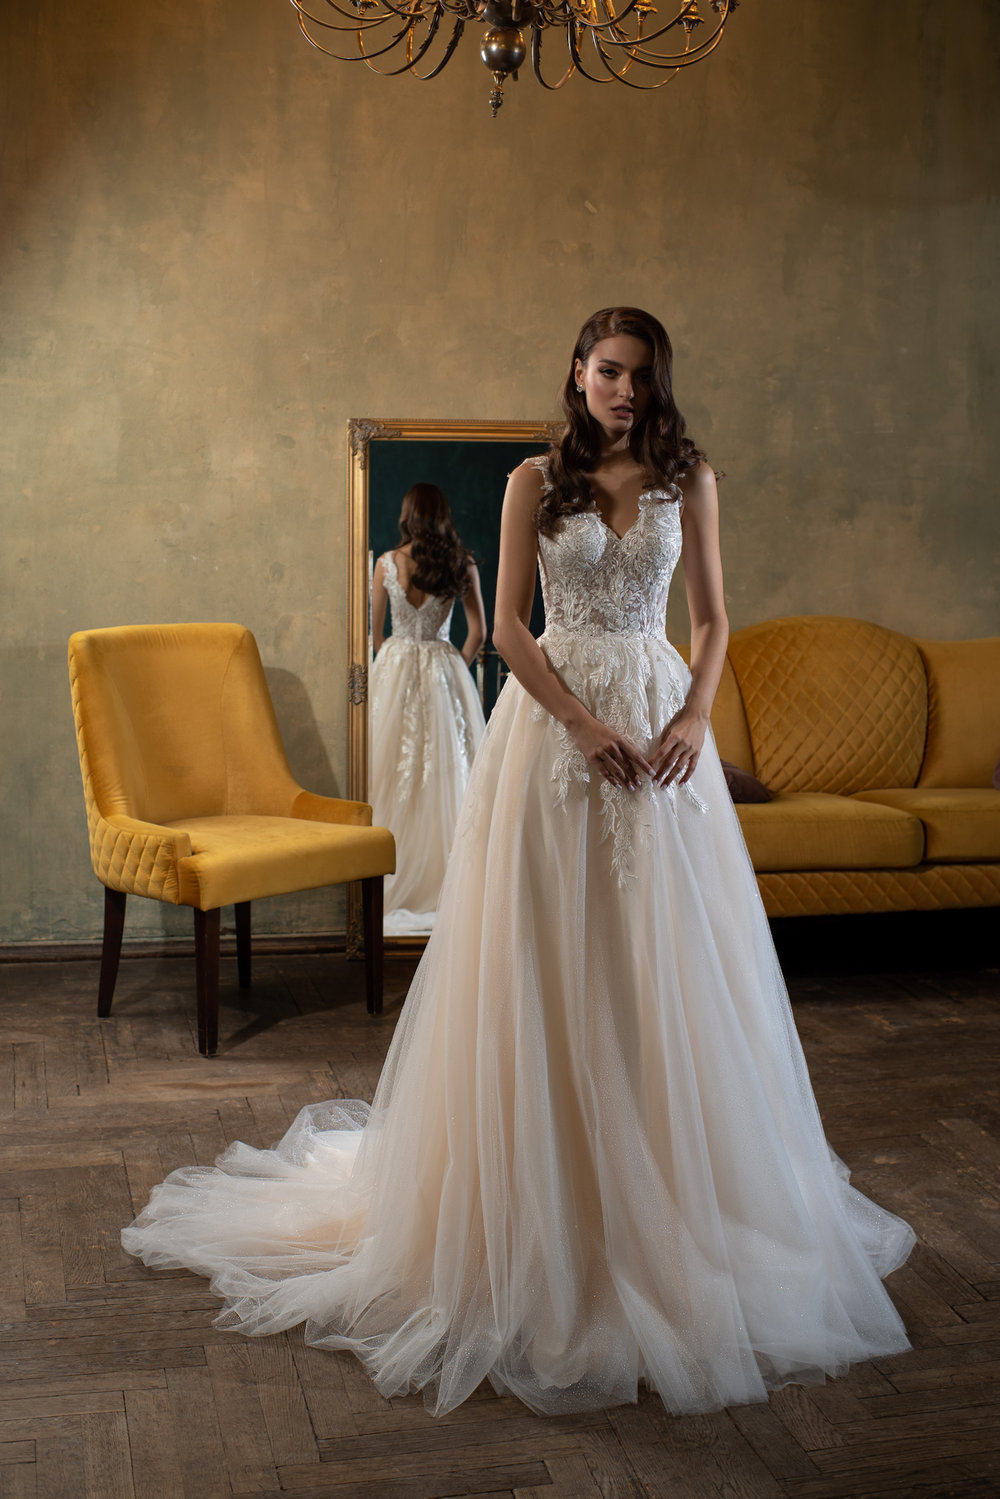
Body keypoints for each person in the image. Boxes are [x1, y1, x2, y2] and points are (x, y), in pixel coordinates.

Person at [122, 308, 914, 1417]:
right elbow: (504, 631)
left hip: (660, 724)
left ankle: (669, 1203)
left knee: (660, 966)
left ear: (656, 381)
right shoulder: (533, 479)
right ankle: (540, 1211)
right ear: (575, 374)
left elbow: (717, 617)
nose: (623, 389)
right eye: (606, 370)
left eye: (639, 374)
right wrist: (583, 726)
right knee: (549, 957)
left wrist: (693, 712)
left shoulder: (693, 480)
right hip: (555, 738)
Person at [369, 483, 486, 934]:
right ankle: (443, 879)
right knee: (445, 770)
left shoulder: (387, 563)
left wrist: (391, 659)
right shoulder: (460, 562)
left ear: (408, 514)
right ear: (442, 515)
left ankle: (385, 869)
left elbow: (377, 634)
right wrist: (456, 663)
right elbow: (479, 631)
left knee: (389, 768)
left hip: (396, 664)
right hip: (442, 665)